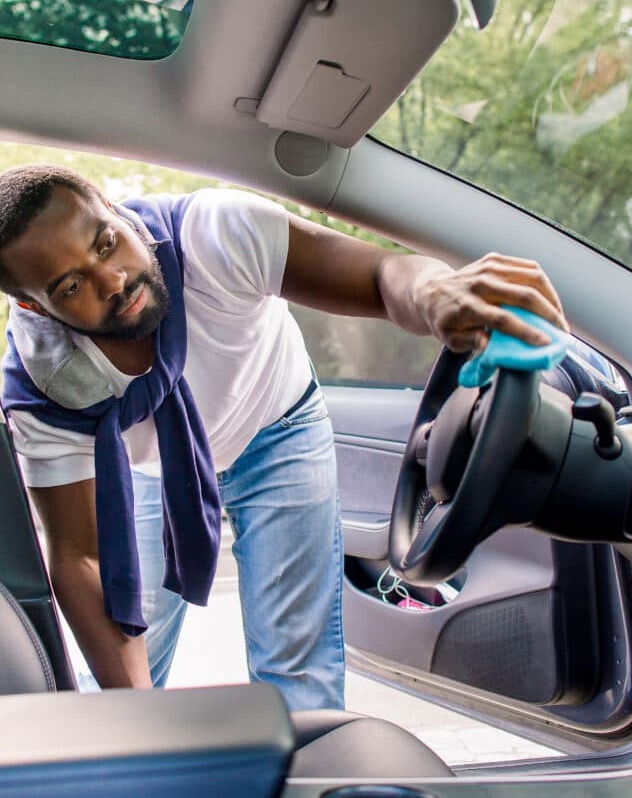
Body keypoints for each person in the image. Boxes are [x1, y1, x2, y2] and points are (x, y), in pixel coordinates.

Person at [0, 164, 567, 710]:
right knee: (119, 674)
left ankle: (307, 793)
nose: (114, 281)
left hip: (279, 426)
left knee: (297, 670)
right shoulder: (43, 385)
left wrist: (436, 291)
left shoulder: (215, 235)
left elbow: (381, 274)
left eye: (105, 242)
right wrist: (135, 724)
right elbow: (80, 557)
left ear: (115, 210)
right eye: (72, 284)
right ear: (33, 305)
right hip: (150, 473)